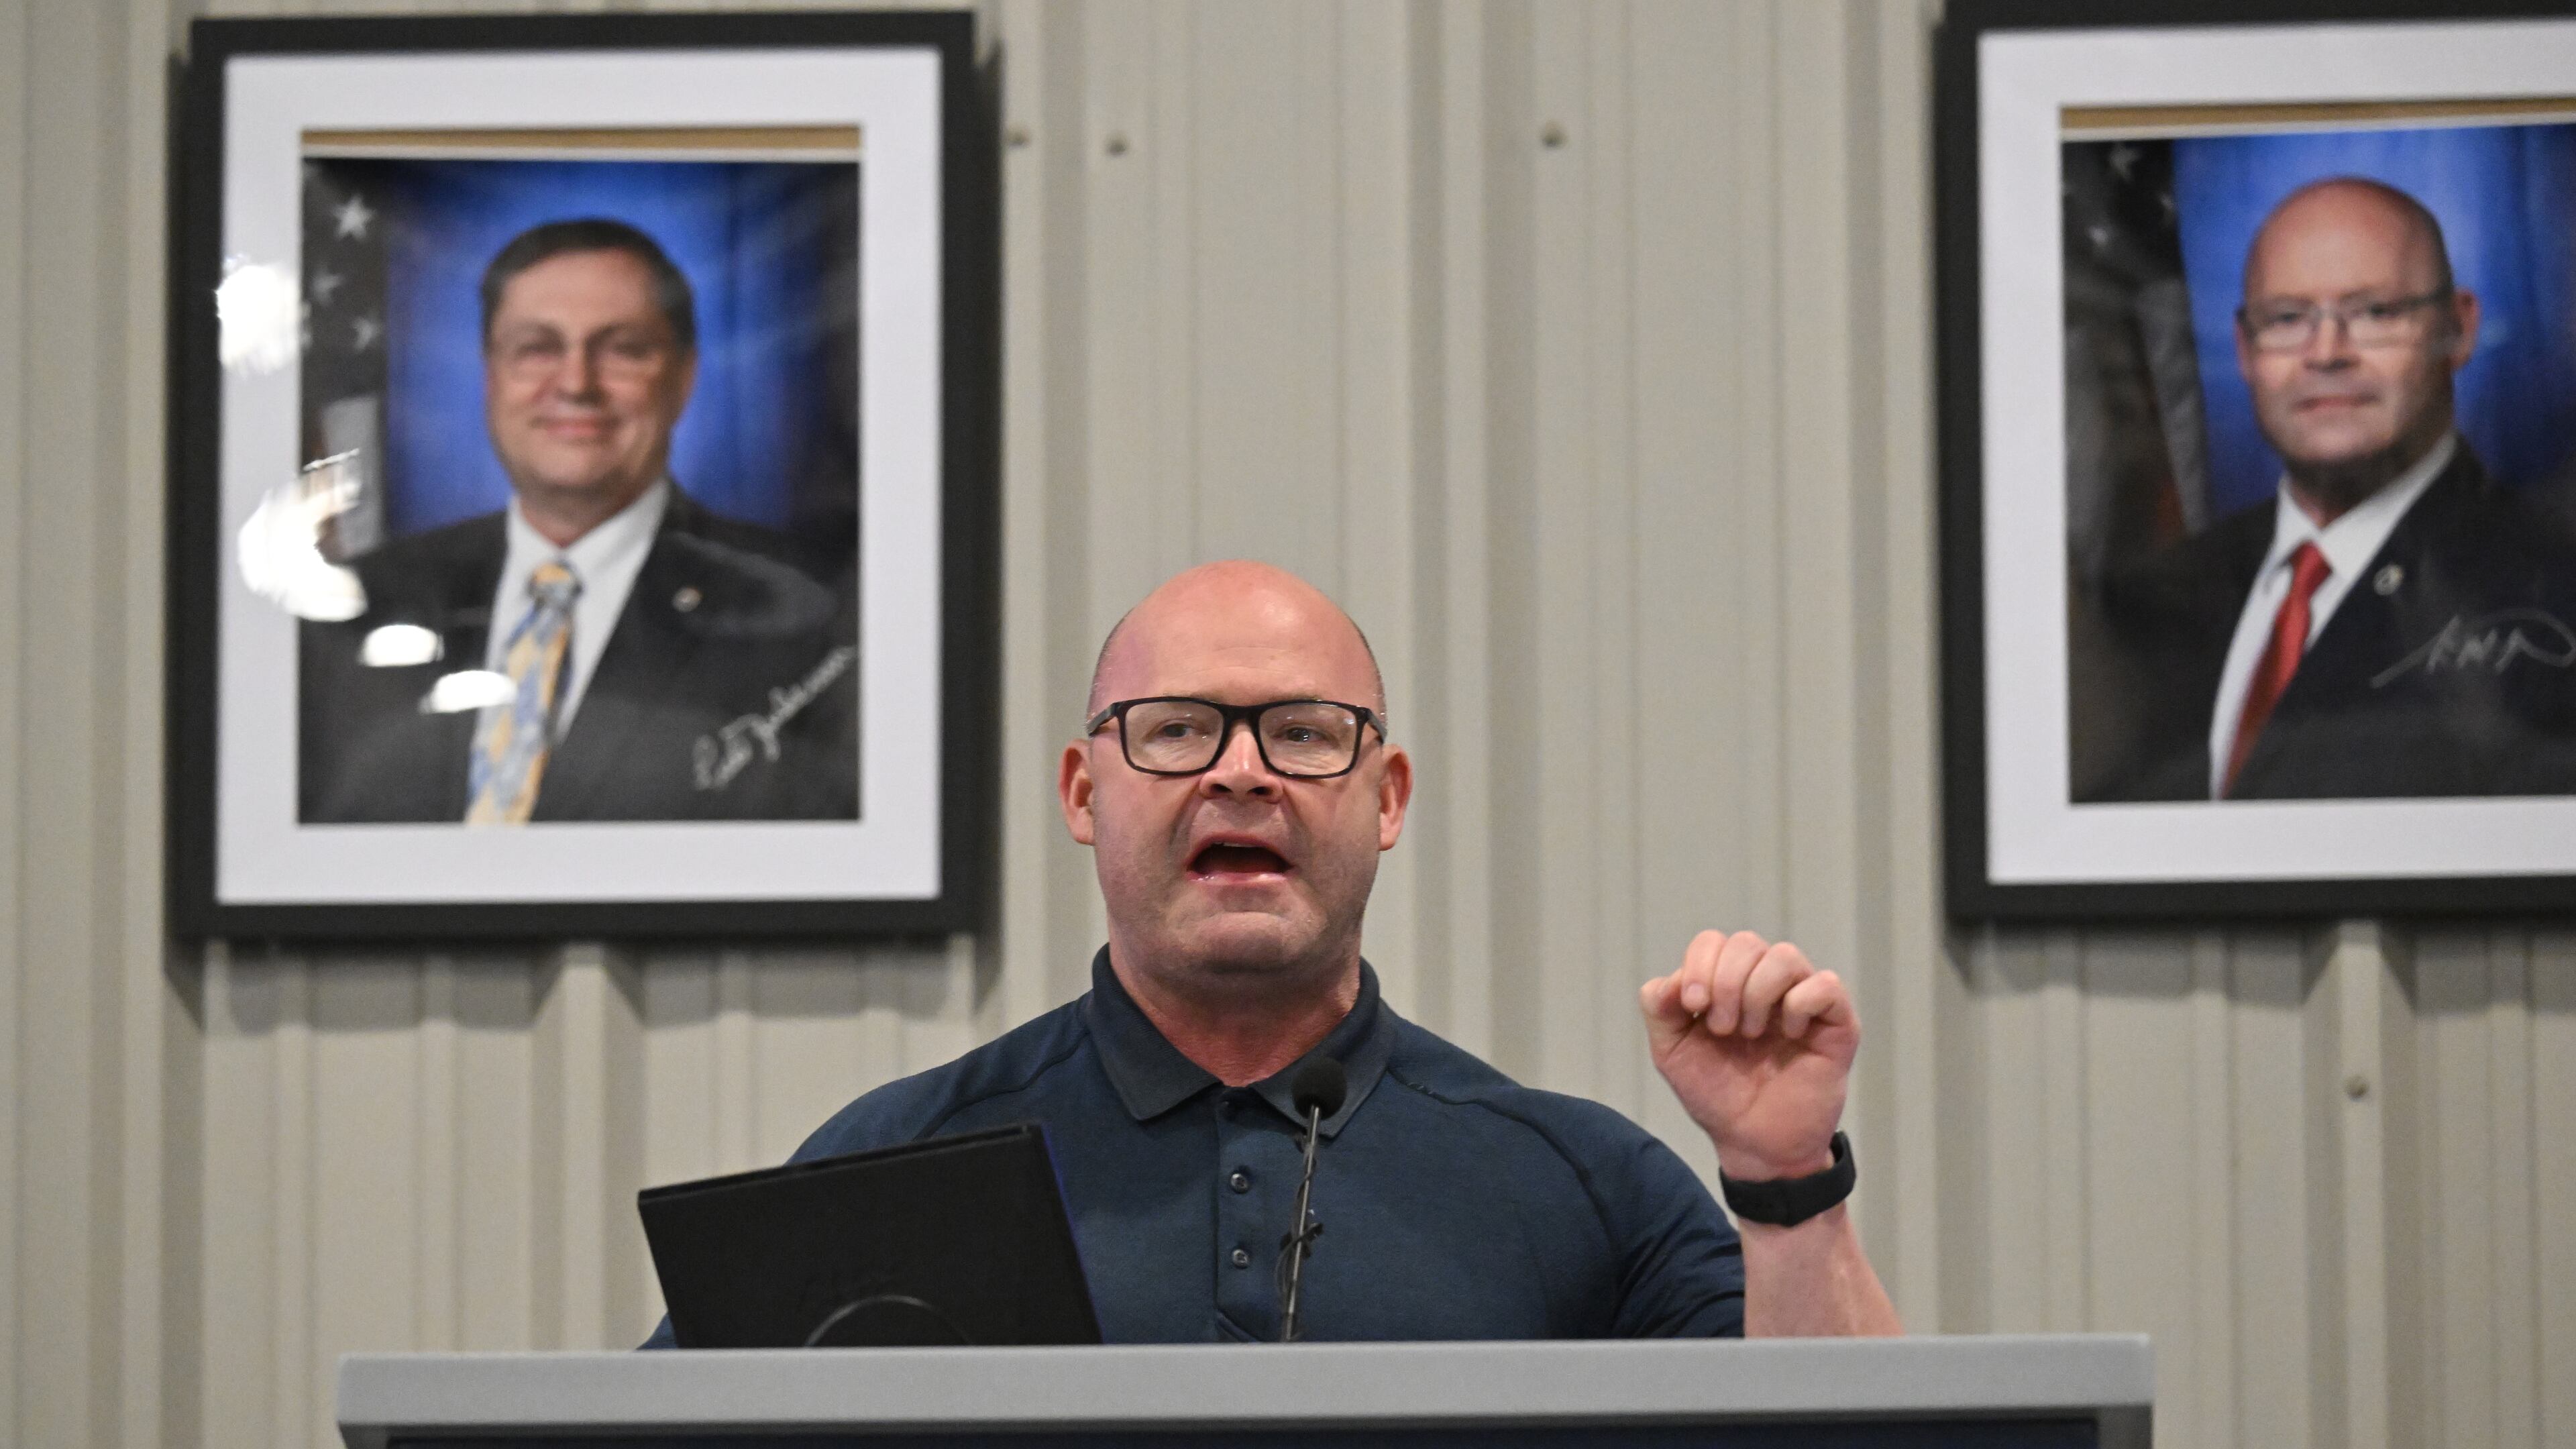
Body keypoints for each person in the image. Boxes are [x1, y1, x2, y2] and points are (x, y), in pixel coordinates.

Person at [647, 561, 1900, 1345]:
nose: (1240, 772)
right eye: (1178, 729)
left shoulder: (1581, 1182)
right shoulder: (893, 1164)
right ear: (1085, 793)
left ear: (1388, 796)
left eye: (1304, 733)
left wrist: (1786, 1184)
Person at [298, 219, 856, 824]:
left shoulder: (812, 615)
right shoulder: (353, 609)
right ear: (491, 377)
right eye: (537, 348)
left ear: (684, 378)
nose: (575, 384)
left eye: (622, 349)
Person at [2088, 176, 2576, 801]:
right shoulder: (2159, 598)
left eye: (2376, 312)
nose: (2326, 353)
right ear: (2244, 349)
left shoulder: (2552, 585)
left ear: (2458, 328)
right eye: (2287, 318)